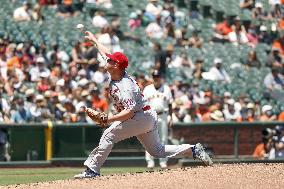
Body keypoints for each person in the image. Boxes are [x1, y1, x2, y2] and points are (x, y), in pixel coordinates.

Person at [74, 31, 213, 179]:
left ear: (117, 66)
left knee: (109, 134)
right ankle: (193, 150)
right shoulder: (116, 71)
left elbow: (129, 113)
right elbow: (106, 52)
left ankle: (92, 170)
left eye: (111, 61)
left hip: (138, 116)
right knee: (157, 151)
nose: (107, 60)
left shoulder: (126, 86)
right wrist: (95, 40)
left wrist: (108, 119)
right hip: (146, 115)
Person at [143, 70, 173, 169]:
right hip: (150, 116)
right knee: (149, 138)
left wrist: (171, 117)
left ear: (161, 77)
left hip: (163, 115)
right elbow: (143, 104)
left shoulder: (166, 89)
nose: (156, 78)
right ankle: (150, 161)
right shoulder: (147, 89)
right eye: (155, 76)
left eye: (158, 76)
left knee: (164, 139)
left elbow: (170, 104)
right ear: (152, 77)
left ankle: (163, 161)